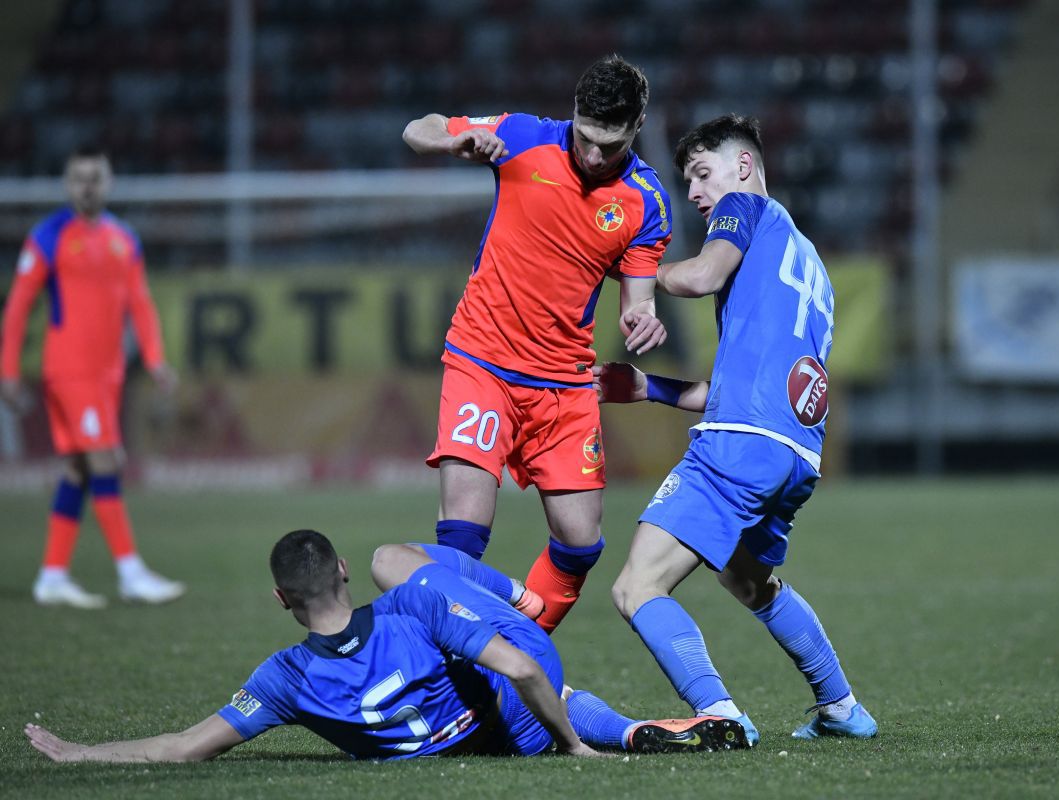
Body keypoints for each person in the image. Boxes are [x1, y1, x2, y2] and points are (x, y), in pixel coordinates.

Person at [596, 115, 878, 745]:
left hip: (741, 448)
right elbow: (734, 392)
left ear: (744, 167)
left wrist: (630, 267)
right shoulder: (808, 266)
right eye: (688, 180)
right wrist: (648, 389)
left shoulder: (745, 206)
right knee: (748, 578)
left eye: (701, 173)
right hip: (797, 454)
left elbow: (698, 278)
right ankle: (841, 707)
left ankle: (719, 711)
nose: (695, 192)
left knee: (636, 585)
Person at [24, 530, 748, 762]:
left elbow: (182, 746)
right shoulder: (411, 613)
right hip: (517, 702)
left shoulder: (284, 681)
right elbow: (522, 665)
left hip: (478, 743)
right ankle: (606, 717)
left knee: (526, 687)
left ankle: (615, 725)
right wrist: (573, 749)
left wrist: (76, 753)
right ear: (335, 572)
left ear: (283, 601)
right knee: (393, 557)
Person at [401, 54, 673, 634]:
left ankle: (509, 655)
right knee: (464, 532)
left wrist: (645, 319)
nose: (594, 155)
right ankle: (449, 668)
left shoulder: (646, 202)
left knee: (580, 543)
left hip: (565, 383)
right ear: (572, 114)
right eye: (586, 138)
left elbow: (638, 297)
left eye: (611, 144)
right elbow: (417, 128)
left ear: (637, 127)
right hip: (483, 361)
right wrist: (454, 143)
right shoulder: (522, 136)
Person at [1, 145, 183, 609]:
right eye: (79, 178)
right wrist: (7, 369)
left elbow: (139, 302)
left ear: (108, 182)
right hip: (70, 371)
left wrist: (155, 357)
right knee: (106, 460)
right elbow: (19, 306)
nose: (87, 186)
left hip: (108, 374)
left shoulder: (124, 238)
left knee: (79, 468)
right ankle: (129, 571)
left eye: (94, 177)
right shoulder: (48, 236)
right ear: (67, 184)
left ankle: (53, 576)